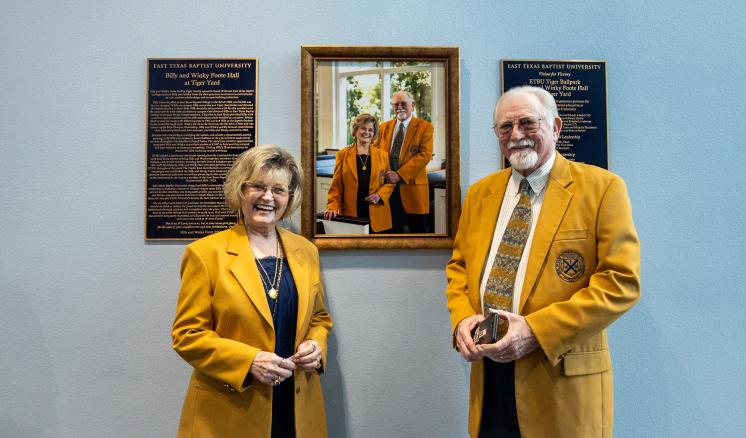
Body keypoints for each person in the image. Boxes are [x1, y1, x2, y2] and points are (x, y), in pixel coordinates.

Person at [445, 86, 640, 437]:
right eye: (505, 127)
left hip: (559, 378)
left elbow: (620, 282)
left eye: (527, 123)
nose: (516, 135)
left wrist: (536, 331)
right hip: (490, 378)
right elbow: (459, 268)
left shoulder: (602, 189)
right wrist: (461, 320)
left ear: (556, 126)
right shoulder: (480, 194)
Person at [172, 144, 333, 438]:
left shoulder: (306, 251)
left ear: (290, 196)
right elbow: (187, 336)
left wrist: (317, 347)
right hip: (230, 413)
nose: (268, 197)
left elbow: (319, 317)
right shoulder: (205, 254)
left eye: (278, 189)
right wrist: (249, 361)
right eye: (257, 186)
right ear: (240, 191)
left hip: (297, 411)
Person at [372, 90, 433, 233]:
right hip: (388, 188)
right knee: (392, 232)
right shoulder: (383, 127)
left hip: (413, 189)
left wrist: (399, 175)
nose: (399, 107)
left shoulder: (425, 127)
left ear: (412, 105)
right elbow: (376, 152)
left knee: (418, 233)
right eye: (396, 104)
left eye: (403, 103)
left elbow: (425, 155)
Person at [324, 113, 394, 233]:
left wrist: (379, 196)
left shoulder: (383, 155)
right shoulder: (342, 155)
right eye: (363, 128)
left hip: (378, 213)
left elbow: (390, 182)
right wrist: (332, 207)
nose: (367, 132)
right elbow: (336, 186)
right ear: (356, 130)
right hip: (352, 214)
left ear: (374, 133)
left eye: (370, 130)